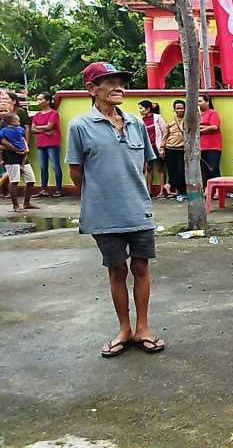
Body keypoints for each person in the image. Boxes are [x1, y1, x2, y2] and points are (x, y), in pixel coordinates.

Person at [66, 61, 165, 357]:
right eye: (108, 81)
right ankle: (124, 328)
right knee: (117, 270)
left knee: (141, 268)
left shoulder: (136, 123)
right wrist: (101, 194)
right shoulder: (80, 126)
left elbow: (145, 164)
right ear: (92, 89)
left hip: (139, 210)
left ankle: (142, 328)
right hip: (103, 214)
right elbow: (76, 172)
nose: (117, 86)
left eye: (120, 81)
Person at [1, 112, 38, 212]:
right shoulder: (4, 131)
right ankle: (15, 205)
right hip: (11, 157)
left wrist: (25, 148)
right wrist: (16, 150)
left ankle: (27, 203)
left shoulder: (20, 129)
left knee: (30, 180)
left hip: (22, 156)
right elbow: (3, 143)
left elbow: (23, 139)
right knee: (14, 181)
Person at [31, 92, 64, 197]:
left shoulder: (53, 113)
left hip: (52, 143)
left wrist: (39, 128)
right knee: (42, 167)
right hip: (41, 143)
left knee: (55, 166)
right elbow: (32, 129)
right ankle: (43, 189)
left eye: (41, 99)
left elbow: (50, 126)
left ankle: (59, 189)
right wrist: (45, 130)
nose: (38, 101)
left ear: (48, 101)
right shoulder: (37, 115)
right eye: (38, 99)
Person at [139, 100, 170, 198]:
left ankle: (161, 191)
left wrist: (162, 146)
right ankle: (148, 190)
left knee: (160, 168)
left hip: (157, 146)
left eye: (141, 108)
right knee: (149, 168)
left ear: (148, 109)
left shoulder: (157, 118)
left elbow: (165, 132)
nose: (140, 110)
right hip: (147, 147)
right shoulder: (141, 120)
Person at [163, 100, 187, 199]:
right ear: (174, 109)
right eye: (177, 108)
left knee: (181, 171)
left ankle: (181, 192)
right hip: (170, 148)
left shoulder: (188, 120)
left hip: (182, 149)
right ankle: (177, 191)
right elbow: (165, 136)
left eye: (181, 108)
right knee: (172, 171)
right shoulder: (171, 122)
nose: (179, 110)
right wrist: (161, 148)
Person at [198, 93, 222, 185]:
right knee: (203, 170)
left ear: (207, 102)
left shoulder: (212, 113)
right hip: (200, 147)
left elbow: (214, 127)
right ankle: (207, 189)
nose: (198, 103)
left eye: (200, 101)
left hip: (213, 146)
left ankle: (217, 190)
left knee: (213, 168)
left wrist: (199, 129)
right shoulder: (196, 114)